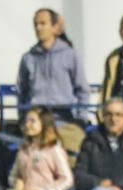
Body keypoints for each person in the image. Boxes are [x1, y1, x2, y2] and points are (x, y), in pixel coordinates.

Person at [17, 8, 90, 156]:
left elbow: (82, 88)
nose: (38, 28)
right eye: (36, 24)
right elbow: (22, 90)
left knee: (70, 165)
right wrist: (23, 117)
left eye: (43, 23)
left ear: (55, 27)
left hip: (66, 121)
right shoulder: (28, 58)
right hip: (37, 123)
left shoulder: (70, 55)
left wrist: (81, 119)